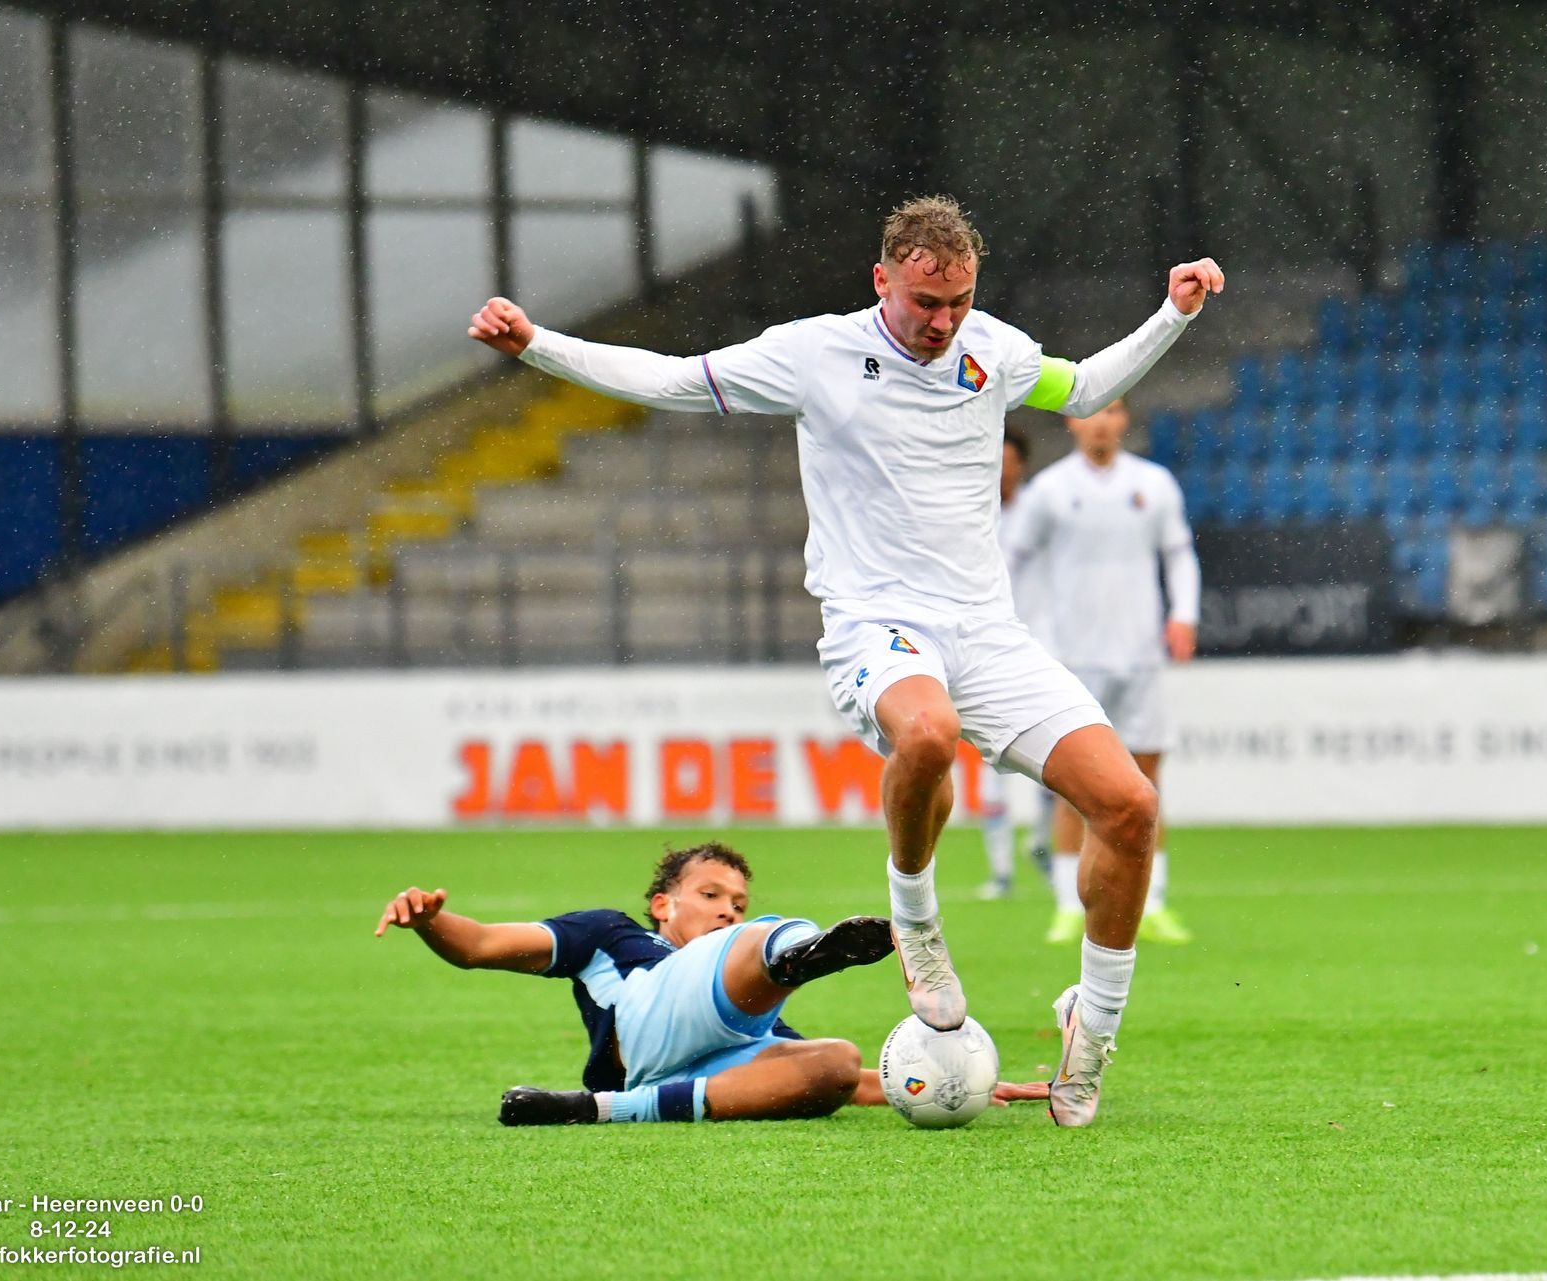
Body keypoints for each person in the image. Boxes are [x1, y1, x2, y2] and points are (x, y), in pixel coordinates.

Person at [468, 194, 1224, 1125]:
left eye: (958, 303)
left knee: (1131, 806)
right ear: (882, 281)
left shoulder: (993, 347)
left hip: (988, 632)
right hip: (877, 624)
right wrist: (537, 344)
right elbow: (669, 380)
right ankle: (917, 921)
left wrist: (1173, 313)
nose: (943, 323)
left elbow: (1083, 388)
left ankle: (1091, 1029)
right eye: (925, 303)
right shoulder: (814, 352)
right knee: (930, 734)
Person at [373, 842, 1046, 1124]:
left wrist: (950, 1082)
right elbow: (480, 946)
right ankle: (795, 951)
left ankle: (601, 1110)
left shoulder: (738, 994)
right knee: (751, 947)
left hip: (708, 1059)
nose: (727, 907)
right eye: (710, 894)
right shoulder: (612, 936)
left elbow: (860, 1083)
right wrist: (430, 920)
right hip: (646, 1027)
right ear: (663, 904)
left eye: (738, 901)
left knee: (834, 1063)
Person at [1005, 397, 1200, 947]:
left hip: (1140, 653)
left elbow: (1178, 553)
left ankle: (1153, 904)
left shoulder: (1154, 484)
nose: (1101, 423)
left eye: (1112, 411)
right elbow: (1010, 562)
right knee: (1077, 786)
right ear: (1073, 420)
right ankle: (1069, 906)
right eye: (1093, 412)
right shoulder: (1049, 491)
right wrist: (1019, 632)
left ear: (1124, 420)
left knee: (1148, 780)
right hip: (1072, 657)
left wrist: (1183, 615)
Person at [977, 425, 1057, 901]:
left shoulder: (1043, 509)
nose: (1001, 470)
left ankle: (1043, 842)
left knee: (1053, 761)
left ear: (1022, 466)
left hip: (1042, 647)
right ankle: (1001, 871)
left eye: (1009, 462)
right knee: (991, 766)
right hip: (989, 652)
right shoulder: (971, 510)